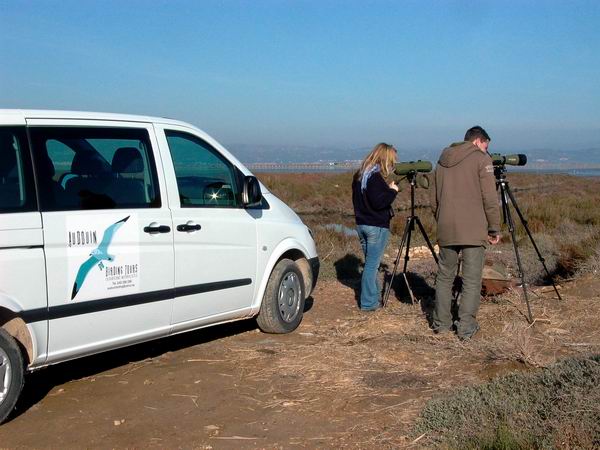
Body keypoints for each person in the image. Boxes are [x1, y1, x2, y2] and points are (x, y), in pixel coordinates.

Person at [430, 126, 501, 339]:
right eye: (486, 145)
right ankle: (465, 327)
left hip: (446, 226)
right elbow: (490, 198)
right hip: (473, 228)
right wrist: (494, 227)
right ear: (478, 141)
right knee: (471, 279)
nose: (487, 150)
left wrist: (441, 219)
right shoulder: (481, 160)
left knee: (444, 276)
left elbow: (433, 198)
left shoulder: (442, 161)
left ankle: (441, 324)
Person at [352, 143, 399, 311]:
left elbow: (364, 200)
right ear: (385, 159)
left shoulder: (360, 175)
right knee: (372, 266)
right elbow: (379, 202)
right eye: (392, 161)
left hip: (362, 224)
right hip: (376, 226)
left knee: (370, 264)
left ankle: (373, 295)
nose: (393, 165)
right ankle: (368, 304)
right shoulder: (375, 177)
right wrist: (392, 191)